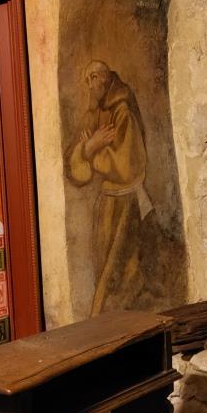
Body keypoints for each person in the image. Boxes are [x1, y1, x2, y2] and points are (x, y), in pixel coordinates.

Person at [65, 60, 153, 315]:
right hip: (107, 204)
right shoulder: (94, 114)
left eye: (93, 77)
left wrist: (92, 154)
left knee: (124, 271)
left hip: (126, 206)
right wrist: (88, 147)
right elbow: (75, 169)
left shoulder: (123, 111)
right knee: (104, 266)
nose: (90, 85)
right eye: (87, 80)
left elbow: (126, 165)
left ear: (105, 78)